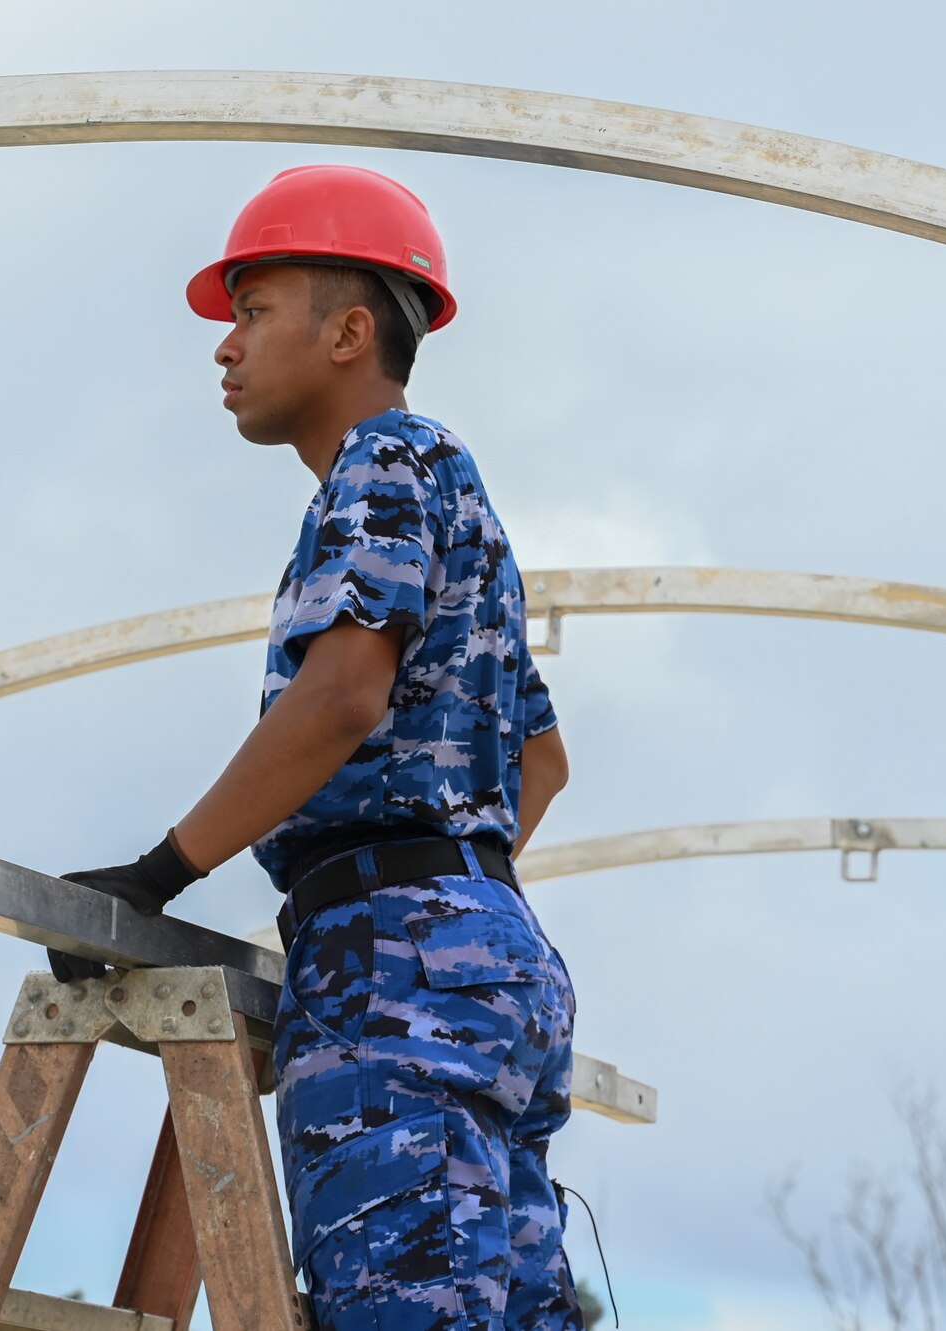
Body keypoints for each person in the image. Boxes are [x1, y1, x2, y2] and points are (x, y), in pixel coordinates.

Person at [47, 165, 583, 1330]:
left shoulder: (381, 465)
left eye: (251, 311)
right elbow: (538, 761)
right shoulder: (459, 499)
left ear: (349, 331)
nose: (223, 347)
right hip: (494, 966)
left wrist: (160, 873)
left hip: (397, 971)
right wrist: (456, 905)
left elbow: (341, 693)